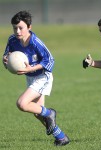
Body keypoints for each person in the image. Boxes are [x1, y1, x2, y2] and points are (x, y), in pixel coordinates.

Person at [3, 10, 69, 146]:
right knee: (38, 113)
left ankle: (50, 112)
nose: (17, 31)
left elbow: (50, 60)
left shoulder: (35, 42)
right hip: (30, 78)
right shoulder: (12, 40)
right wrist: (5, 61)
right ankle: (61, 137)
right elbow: (7, 57)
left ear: (29, 27)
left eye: (21, 27)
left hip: (42, 76)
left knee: (22, 103)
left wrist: (30, 68)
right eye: (15, 28)